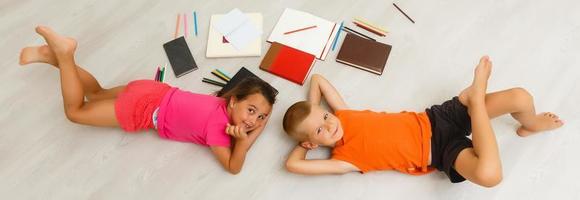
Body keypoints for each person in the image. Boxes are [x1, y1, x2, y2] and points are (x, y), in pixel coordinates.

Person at [19, 26, 278, 174]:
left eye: (261, 117)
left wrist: (258, 121)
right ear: (233, 102)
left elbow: (257, 118)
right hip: (141, 110)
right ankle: (64, 54)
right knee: (76, 112)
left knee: (97, 93)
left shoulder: (223, 103)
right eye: (251, 110)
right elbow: (234, 167)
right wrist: (242, 143)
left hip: (153, 90)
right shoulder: (218, 131)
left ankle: (54, 58)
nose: (253, 121)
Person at [282, 56, 563, 187]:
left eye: (325, 116)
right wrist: (306, 140)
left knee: (521, 98)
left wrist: (315, 114)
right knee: (490, 176)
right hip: (441, 150)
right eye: (321, 129)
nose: (330, 125)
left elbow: (318, 79)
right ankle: (475, 101)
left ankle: (532, 125)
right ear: (311, 142)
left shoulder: (343, 115)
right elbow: (293, 164)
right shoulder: (343, 160)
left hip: (436, 117)